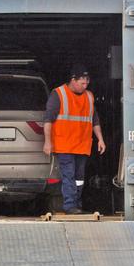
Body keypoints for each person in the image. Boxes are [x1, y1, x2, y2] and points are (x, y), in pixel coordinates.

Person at [43, 64, 106, 214]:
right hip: (64, 144)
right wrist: (47, 142)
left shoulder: (89, 97)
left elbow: (94, 121)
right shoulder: (59, 94)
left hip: (82, 144)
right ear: (73, 80)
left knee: (79, 178)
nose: (85, 86)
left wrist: (101, 140)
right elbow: (48, 120)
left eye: (87, 83)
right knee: (68, 175)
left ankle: (76, 204)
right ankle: (70, 205)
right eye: (82, 83)